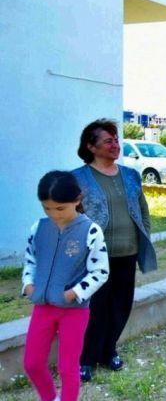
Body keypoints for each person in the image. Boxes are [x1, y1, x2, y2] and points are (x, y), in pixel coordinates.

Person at [72, 119, 156, 382]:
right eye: (108, 141)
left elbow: (142, 209)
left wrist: (144, 236)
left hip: (127, 252)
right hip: (95, 256)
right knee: (95, 308)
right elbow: (71, 217)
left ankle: (109, 351)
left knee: (121, 305)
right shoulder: (77, 178)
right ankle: (86, 358)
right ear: (91, 146)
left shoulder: (130, 175)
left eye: (116, 140)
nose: (115, 145)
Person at [22, 171, 109, 401]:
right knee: (32, 363)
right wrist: (28, 285)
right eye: (47, 208)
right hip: (43, 306)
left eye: (60, 208)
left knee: (68, 368)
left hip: (74, 310)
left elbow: (100, 271)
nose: (54, 214)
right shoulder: (38, 228)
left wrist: (74, 293)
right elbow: (30, 260)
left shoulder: (91, 231)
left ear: (77, 200)